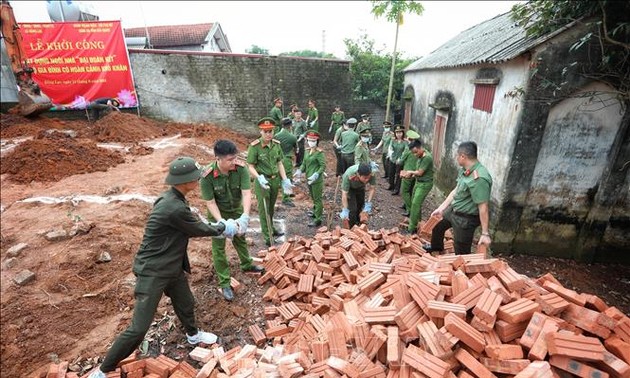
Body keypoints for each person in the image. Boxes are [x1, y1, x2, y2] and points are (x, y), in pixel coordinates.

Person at [86, 156, 230, 378]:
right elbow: (199, 229)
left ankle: (193, 335)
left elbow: (189, 223)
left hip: (171, 266)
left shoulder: (173, 198)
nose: (198, 179)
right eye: (195, 177)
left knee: (185, 302)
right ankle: (103, 370)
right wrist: (223, 226)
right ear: (185, 181)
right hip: (153, 271)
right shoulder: (174, 207)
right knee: (138, 328)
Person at [199, 140, 264, 302]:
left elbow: (246, 193)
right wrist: (222, 223)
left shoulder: (241, 169)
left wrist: (245, 217)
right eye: (229, 160)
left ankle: (247, 264)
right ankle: (224, 282)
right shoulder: (207, 176)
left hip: (236, 210)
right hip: (216, 214)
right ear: (218, 159)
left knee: (240, 237)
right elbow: (210, 202)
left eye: (234, 158)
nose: (233, 162)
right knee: (219, 248)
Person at [424, 141, 492, 255]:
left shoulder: (479, 178)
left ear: (463, 156)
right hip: (454, 210)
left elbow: (483, 207)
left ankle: (461, 270)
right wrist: (441, 208)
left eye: (457, 155)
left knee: (461, 249)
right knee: (437, 227)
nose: (456, 158)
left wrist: (485, 233)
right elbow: (456, 190)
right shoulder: (465, 169)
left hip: (465, 218)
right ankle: (436, 248)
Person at [247, 117, 294, 247]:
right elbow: (250, 165)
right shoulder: (255, 147)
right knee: (264, 209)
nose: (268, 134)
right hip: (262, 181)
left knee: (271, 207)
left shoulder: (276, 145)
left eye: (271, 131)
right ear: (260, 131)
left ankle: (271, 228)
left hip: (274, 180)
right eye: (265, 131)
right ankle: (267, 236)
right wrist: (258, 177)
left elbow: (279, 162)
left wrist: (285, 179)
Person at [293, 131, 326, 227]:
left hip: (316, 180)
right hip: (308, 178)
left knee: (317, 199)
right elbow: (304, 163)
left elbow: (322, 166)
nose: (311, 142)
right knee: (313, 197)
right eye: (309, 140)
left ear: (317, 141)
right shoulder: (307, 151)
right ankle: (315, 212)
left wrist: (316, 174)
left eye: (313, 141)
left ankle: (318, 219)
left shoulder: (319, 153)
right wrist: (300, 171)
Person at [403, 139, 434, 234]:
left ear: (420, 148)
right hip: (418, 182)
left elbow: (420, 172)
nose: (415, 155)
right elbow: (417, 172)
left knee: (416, 203)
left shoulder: (427, 157)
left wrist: (410, 172)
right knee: (415, 203)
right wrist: (410, 174)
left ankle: (411, 229)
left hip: (425, 184)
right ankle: (419, 224)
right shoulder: (420, 156)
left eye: (416, 152)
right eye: (413, 153)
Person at [339, 163, 376, 229]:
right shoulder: (349, 175)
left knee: (360, 205)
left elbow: (372, 188)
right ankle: (351, 227)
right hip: (350, 189)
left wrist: (368, 203)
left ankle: (359, 224)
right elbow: (344, 194)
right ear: (358, 175)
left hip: (361, 187)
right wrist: (345, 209)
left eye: (368, 178)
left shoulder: (371, 173)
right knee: (352, 209)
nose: (367, 180)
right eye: (365, 178)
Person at [274, 118, 298, 207]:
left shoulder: (276, 135)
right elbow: (296, 150)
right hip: (287, 159)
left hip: (276, 159)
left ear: (282, 125)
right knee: (287, 178)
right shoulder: (292, 137)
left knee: (276, 177)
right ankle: (286, 198)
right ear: (290, 126)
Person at [398, 129, 422, 216]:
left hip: (407, 173)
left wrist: (398, 160)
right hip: (416, 173)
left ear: (409, 139)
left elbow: (401, 161)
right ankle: (406, 205)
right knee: (410, 191)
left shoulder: (408, 149)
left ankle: (409, 210)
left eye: (408, 138)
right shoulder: (420, 149)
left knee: (404, 191)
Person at [387, 125, 407, 195]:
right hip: (392, 159)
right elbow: (390, 148)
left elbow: (405, 151)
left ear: (403, 133)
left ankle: (396, 189)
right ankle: (391, 185)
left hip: (400, 161)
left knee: (398, 175)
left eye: (400, 132)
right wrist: (391, 156)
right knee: (391, 173)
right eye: (397, 133)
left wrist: (400, 159)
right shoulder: (393, 140)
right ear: (395, 133)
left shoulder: (405, 142)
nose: (399, 134)